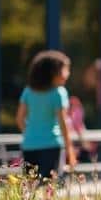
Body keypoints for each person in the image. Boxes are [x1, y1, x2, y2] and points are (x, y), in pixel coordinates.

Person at [17, 50, 77, 180]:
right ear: (53, 73)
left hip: (29, 146)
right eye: (65, 70)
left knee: (31, 186)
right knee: (50, 186)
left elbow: (20, 119)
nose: (67, 74)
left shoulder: (28, 91)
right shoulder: (58, 93)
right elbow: (63, 124)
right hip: (52, 146)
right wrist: (70, 150)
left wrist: (31, 135)